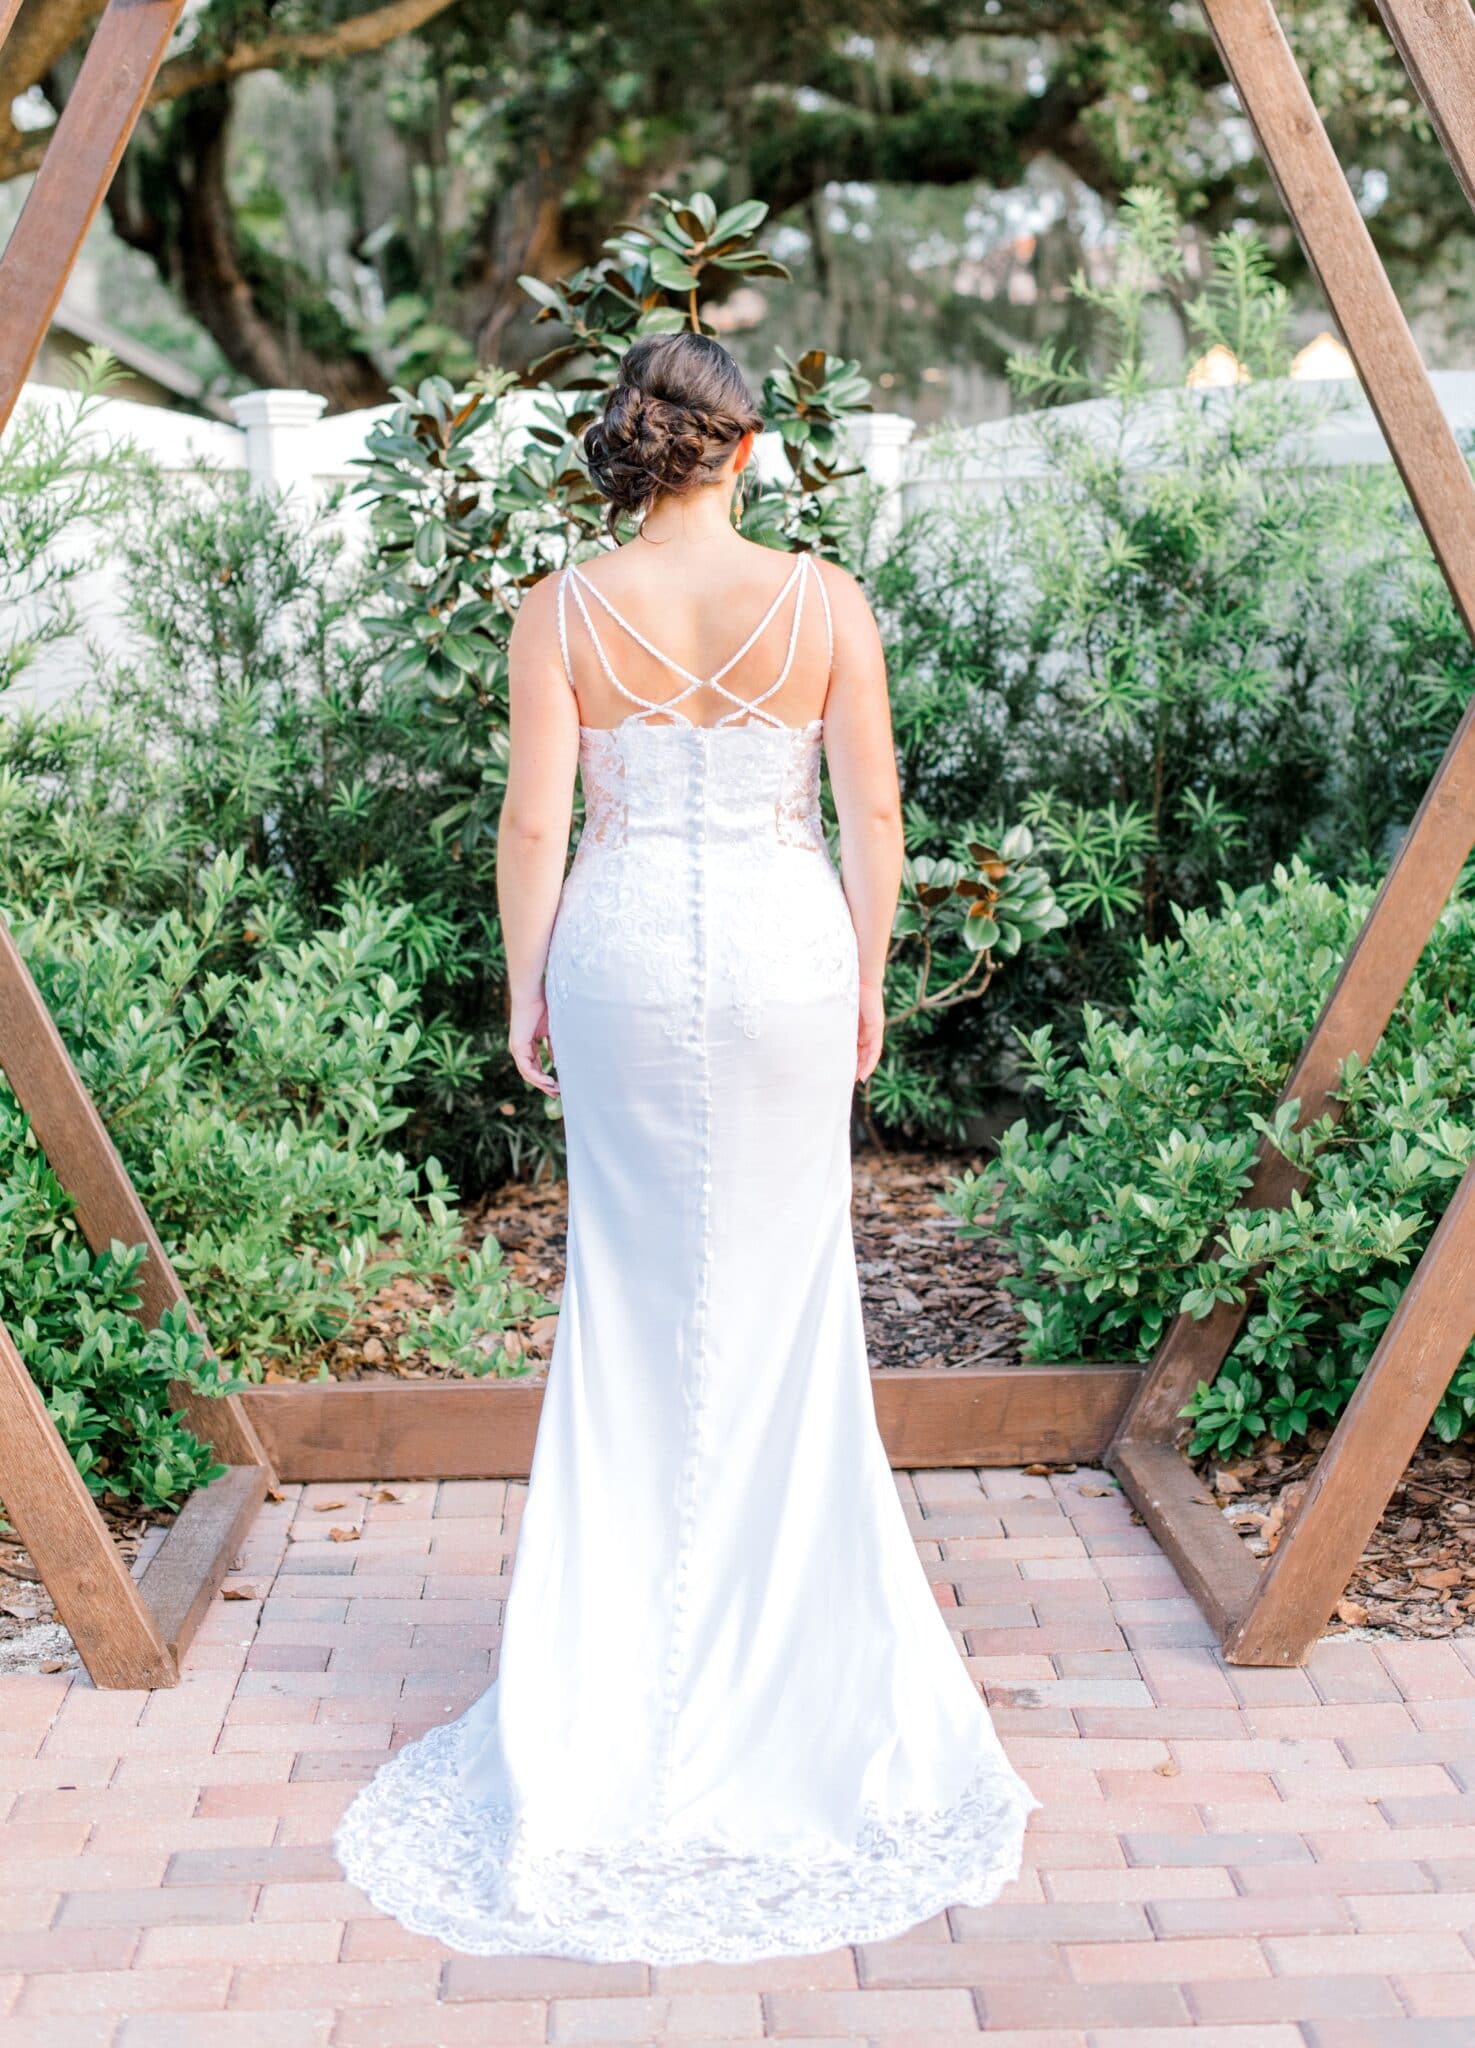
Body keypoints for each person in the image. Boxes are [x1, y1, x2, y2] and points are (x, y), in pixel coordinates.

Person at [334, 332, 1038, 1962]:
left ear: (637, 448)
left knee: (632, 1306)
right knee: (791, 1303)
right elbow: (874, 816)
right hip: (790, 953)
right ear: (742, 448)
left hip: (629, 949)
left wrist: (526, 985)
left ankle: (622, 1669)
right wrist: (868, 974)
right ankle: (790, 1666)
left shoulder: (562, 607)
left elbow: (535, 822)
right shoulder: (827, 602)